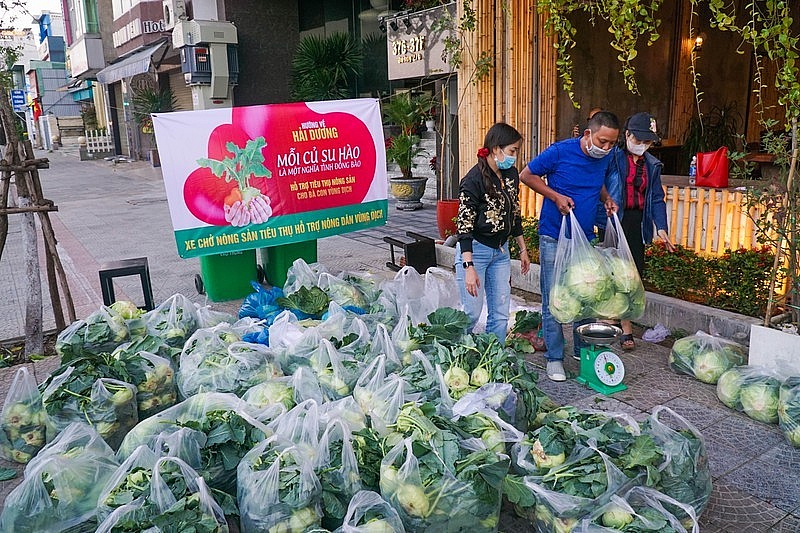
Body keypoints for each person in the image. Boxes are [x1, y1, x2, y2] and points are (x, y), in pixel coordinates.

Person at [519, 111, 620, 381]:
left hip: (584, 238)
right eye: (602, 141)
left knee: (584, 295)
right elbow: (526, 174)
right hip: (554, 236)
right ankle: (554, 357)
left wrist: (607, 198)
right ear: (588, 134)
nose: (607, 148)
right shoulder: (560, 151)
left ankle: (581, 349)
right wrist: (555, 196)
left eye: (612, 144)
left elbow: (596, 184)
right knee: (554, 298)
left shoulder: (605, 157)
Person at [599, 112, 675, 350]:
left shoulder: (652, 165)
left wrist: (661, 227)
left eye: (648, 142)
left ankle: (626, 324)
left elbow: (656, 198)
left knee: (632, 276)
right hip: (613, 220)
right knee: (612, 273)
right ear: (628, 135)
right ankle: (609, 321)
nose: (642, 146)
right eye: (639, 140)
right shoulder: (612, 157)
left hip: (637, 222)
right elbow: (598, 184)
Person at [456, 122, 530, 343]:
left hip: (501, 252)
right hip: (476, 252)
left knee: (499, 312)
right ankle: (454, 354)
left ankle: (494, 356)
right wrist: (468, 267)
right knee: (470, 313)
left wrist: (523, 248)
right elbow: (464, 227)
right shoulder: (473, 180)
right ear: (496, 149)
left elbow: (514, 213)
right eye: (512, 151)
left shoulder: (510, 174)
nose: (514, 156)